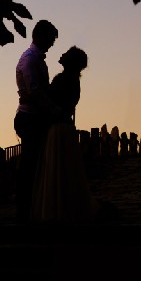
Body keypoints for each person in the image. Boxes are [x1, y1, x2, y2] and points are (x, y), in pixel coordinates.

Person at [32, 46, 98, 225]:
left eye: (66, 54)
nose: (62, 54)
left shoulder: (63, 80)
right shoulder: (72, 81)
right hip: (64, 126)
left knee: (56, 168)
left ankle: (56, 208)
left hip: (58, 127)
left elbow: (51, 101)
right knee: (66, 169)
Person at [13, 19, 61, 221]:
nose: (51, 44)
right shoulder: (31, 59)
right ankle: (24, 208)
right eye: (50, 40)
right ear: (41, 37)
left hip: (33, 116)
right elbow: (35, 92)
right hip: (30, 118)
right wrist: (54, 111)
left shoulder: (35, 58)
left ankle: (31, 206)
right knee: (30, 164)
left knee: (34, 163)